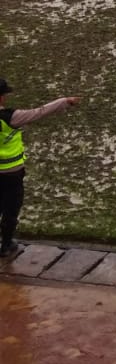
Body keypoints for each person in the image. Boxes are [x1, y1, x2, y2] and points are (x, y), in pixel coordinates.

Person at [0, 80, 80, 259]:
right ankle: (6, 244)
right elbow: (40, 112)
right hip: (12, 173)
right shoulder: (11, 117)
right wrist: (65, 101)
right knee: (10, 211)